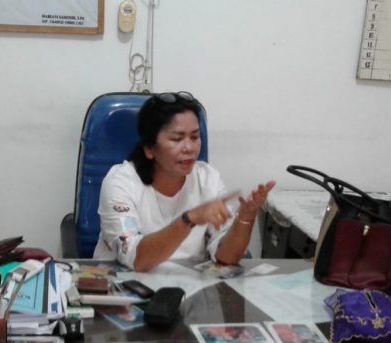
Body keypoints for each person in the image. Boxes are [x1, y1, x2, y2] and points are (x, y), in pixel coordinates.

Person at [93, 91, 275, 272]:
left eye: (194, 137)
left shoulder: (208, 179)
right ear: (149, 148)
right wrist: (190, 219)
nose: (189, 148)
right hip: (124, 284)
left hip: (189, 285)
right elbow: (137, 260)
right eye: (177, 139)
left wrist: (245, 218)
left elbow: (225, 257)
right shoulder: (121, 182)